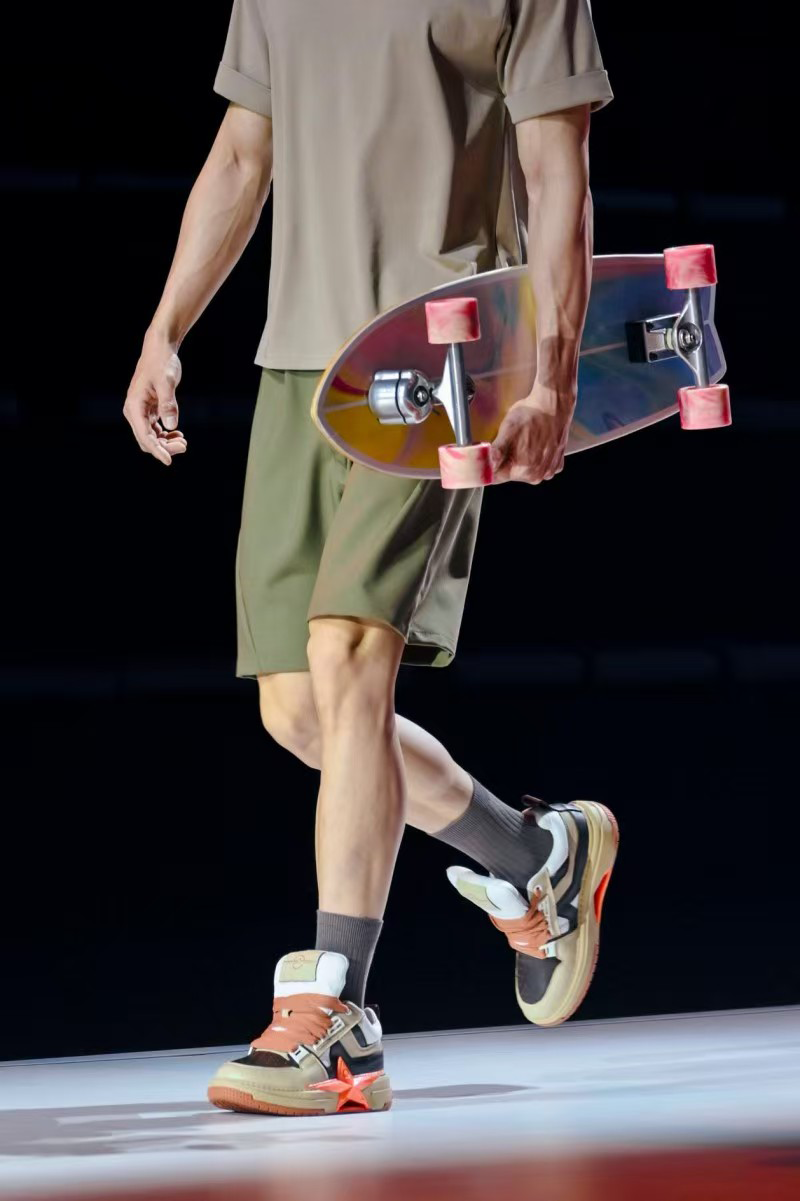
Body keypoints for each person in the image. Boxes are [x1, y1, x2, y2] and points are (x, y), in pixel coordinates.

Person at [123, 0, 618, 1116]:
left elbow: (558, 174)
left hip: (442, 350)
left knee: (350, 655)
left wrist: (549, 375)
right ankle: (535, 855)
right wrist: (165, 329)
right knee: (299, 710)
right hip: (301, 362)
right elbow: (242, 152)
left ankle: (336, 1017)